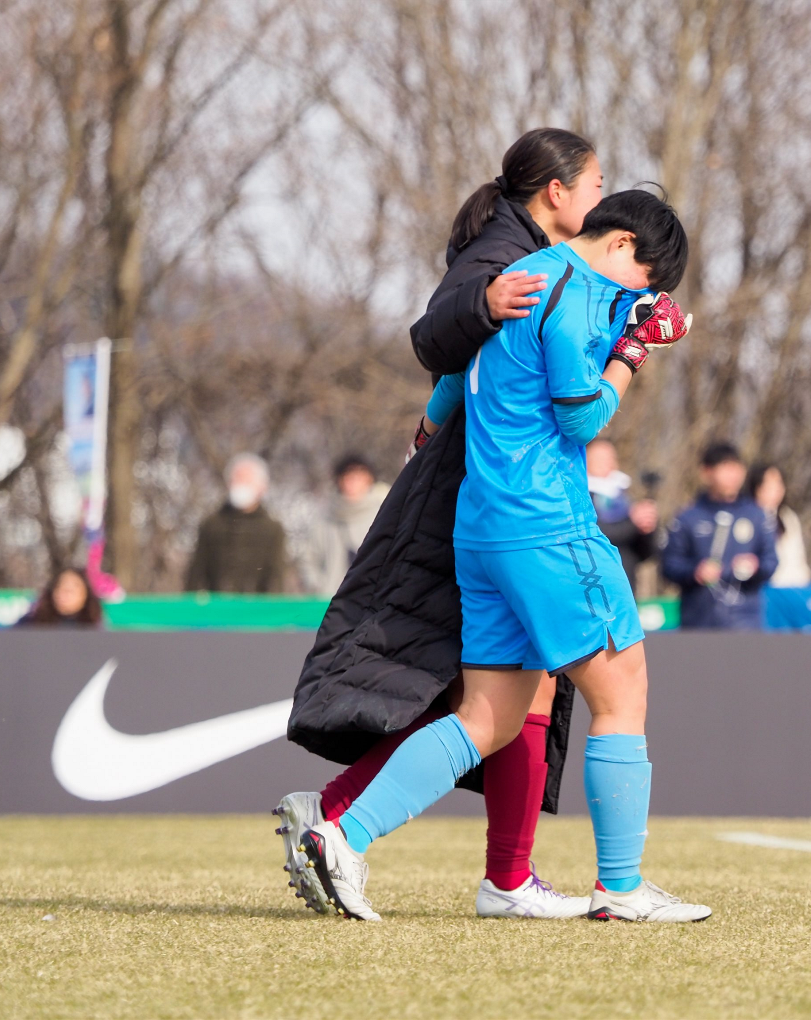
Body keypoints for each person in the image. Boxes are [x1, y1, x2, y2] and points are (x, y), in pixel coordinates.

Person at [295, 190, 709, 923]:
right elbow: (582, 415)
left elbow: (454, 377)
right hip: (548, 523)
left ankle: (340, 835)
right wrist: (633, 350)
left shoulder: (521, 278)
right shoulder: (580, 291)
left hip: (481, 528)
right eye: (643, 278)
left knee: (489, 717)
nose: (640, 294)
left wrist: (423, 439)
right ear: (620, 246)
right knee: (623, 693)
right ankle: (620, 888)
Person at [283, 128, 605, 921]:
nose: (602, 195)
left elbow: (466, 371)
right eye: (595, 182)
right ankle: (345, 825)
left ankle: (367, 828)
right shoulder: (507, 253)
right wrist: (482, 302)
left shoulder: (533, 249)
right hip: (488, 496)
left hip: (485, 487)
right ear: (555, 193)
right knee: (503, 692)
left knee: (497, 690)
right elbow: (436, 334)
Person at [661, 442, 778, 630]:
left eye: (737, 468)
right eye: (725, 467)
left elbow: (771, 561)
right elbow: (669, 565)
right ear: (706, 472)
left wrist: (755, 566)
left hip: (746, 624)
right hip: (698, 623)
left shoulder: (757, 515)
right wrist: (695, 572)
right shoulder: (687, 518)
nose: (733, 475)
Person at [184, 453, 286, 593]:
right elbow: (196, 573)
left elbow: (275, 578)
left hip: (256, 610)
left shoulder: (272, 530)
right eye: (236, 480)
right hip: (217, 609)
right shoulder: (211, 525)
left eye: (246, 481)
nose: (240, 486)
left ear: (262, 487)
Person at [299, 454, 391, 595]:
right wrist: (318, 587)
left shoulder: (385, 517)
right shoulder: (324, 519)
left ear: (370, 479)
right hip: (329, 603)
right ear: (339, 480)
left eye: (359, 476)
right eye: (348, 477)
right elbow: (308, 559)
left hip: (372, 604)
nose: (353, 482)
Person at [585, 438, 657, 592]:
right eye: (599, 458)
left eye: (611, 458)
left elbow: (645, 554)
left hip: (626, 584)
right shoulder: (580, 498)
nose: (607, 463)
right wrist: (632, 522)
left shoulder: (625, 498)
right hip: (593, 583)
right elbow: (596, 534)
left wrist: (647, 529)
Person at [746, 463, 811, 588]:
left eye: (779, 484)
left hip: (792, 588)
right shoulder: (746, 518)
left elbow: (798, 557)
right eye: (769, 485)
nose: (776, 490)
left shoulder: (788, 517)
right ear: (756, 487)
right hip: (761, 589)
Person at [14, 568, 103, 627]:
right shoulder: (31, 624)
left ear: (85, 594)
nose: (66, 591)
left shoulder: (96, 629)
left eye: (74, 587)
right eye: (60, 585)